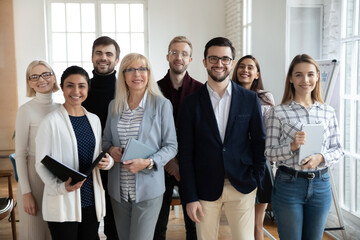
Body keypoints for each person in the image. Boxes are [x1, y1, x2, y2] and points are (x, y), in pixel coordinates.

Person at [178, 37, 266, 240]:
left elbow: (259, 142)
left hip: (242, 185)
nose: (219, 64)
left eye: (225, 59)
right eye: (214, 58)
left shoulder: (249, 99)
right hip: (204, 187)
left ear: (232, 63)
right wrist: (190, 196)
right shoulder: (191, 103)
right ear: (204, 62)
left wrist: (256, 178)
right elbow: (185, 154)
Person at [264, 54, 344, 240]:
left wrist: (321, 157)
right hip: (289, 185)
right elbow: (269, 152)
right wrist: (292, 145)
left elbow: (338, 149)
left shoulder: (328, 111)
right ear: (291, 78)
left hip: (321, 185)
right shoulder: (278, 112)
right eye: (299, 75)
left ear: (317, 77)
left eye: (310, 74)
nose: (305, 80)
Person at [102, 53, 177, 240]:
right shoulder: (114, 105)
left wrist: (148, 162)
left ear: (149, 73)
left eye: (142, 69)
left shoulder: (161, 105)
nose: (137, 74)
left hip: (148, 187)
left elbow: (171, 146)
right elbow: (105, 141)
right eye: (131, 69)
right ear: (124, 75)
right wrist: (111, 150)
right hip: (119, 190)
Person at [35, 66, 114, 240]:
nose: (76, 91)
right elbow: (40, 164)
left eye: (82, 86)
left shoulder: (94, 120)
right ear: (62, 87)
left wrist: (108, 162)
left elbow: (99, 153)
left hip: (90, 200)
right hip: (63, 199)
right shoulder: (50, 122)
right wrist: (60, 187)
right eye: (70, 85)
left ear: (88, 89)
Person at [154, 36, 202, 240]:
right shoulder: (153, 90)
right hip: (161, 165)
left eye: (184, 54)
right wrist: (169, 161)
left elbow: (202, 134)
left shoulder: (201, 91)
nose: (178, 57)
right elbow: (151, 132)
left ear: (190, 59)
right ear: (167, 56)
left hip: (190, 167)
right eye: (174, 52)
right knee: (158, 225)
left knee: (194, 226)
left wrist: (182, 164)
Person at [15, 60, 60, 240]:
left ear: (53, 77)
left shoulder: (60, 108)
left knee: (54, 232)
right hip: (33, 178)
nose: (41, 79)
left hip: (56, 174)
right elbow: (20, 154)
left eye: (46, 74)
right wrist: (26, 193)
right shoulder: (25, 110)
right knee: (35, 232)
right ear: (29, 82)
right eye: (35, 76)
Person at [232, 55, 275, 240]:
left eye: (250, 67)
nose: (245, 70)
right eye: (241, 66)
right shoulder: (229, 95)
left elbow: (270, 130)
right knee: (242, 222)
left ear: (257, 74)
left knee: (258, 223)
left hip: (261, 162)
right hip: (238, 164)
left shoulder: (265, 97)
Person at [82, 36, 120, 240]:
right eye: (99, 53)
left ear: (117, 59)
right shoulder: (83, 88)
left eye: (109, 54)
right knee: (89, 222)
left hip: (116, 162)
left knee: (114, 224)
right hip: (86, 161)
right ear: (92, 57)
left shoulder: (124, 88)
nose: (103, 58)